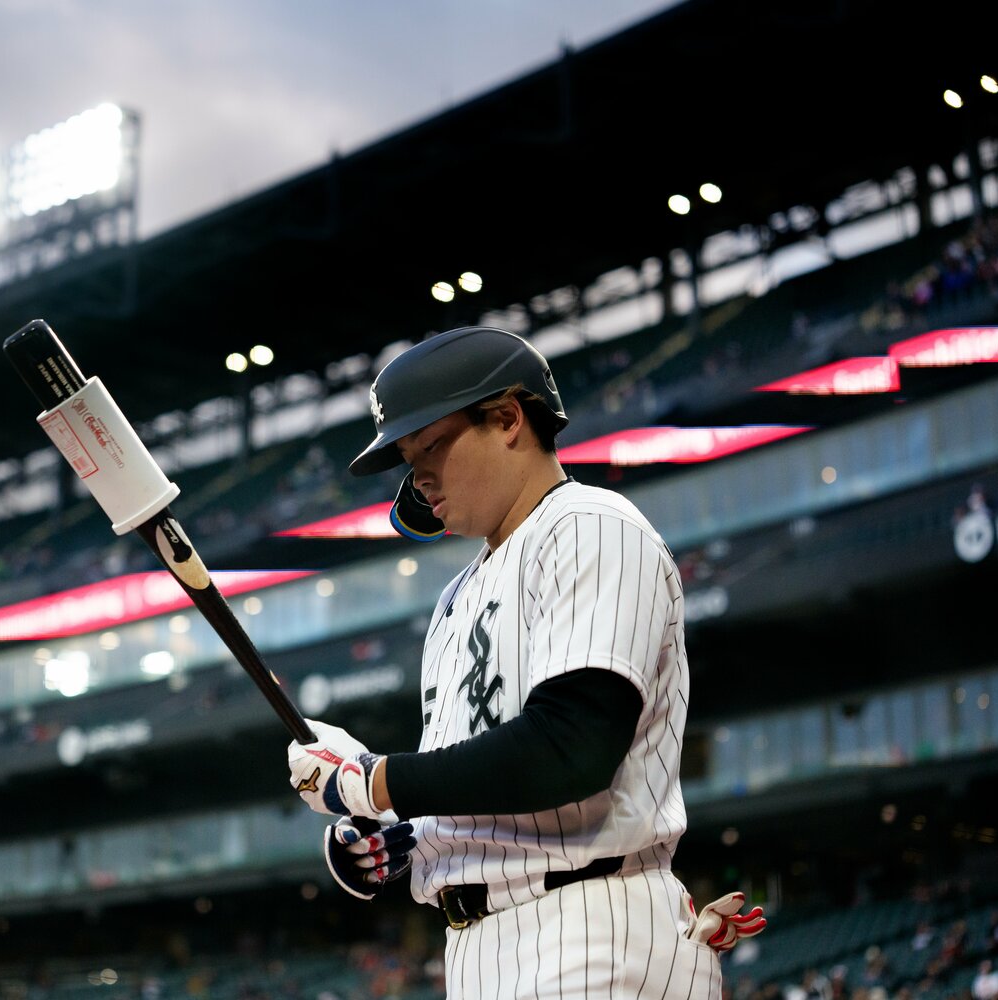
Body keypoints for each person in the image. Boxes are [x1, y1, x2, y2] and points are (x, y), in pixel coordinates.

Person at [284, 327, 764, 999]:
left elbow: (571, 748)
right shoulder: (456, 600)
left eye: (432, 444)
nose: (417, 474)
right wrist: (399, 842)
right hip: (483, 946)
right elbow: (478, 778)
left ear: (508, 418)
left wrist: (378, 781)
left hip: (590, 926)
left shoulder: (593, 526)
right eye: (406, 456)